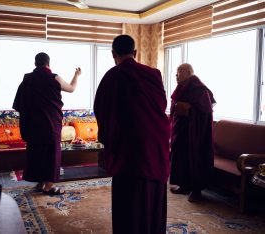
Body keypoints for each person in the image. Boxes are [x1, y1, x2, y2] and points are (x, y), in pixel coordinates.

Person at [94, 35, 170, 234]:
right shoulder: (153, 74)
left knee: (128, 201)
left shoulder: (112, 76)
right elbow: (161, 106)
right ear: (135, 53)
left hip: (128, 150)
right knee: (151, 195)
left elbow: (102, 111)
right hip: (155, 144)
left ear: (113, 54)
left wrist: (110, 139)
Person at [13, 52, 81, 195]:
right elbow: (71, 88)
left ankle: (40, 183)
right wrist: (76, 75)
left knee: (37, 152)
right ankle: (49, 186)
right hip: (50, 123)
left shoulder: (27, 79)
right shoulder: (54, 78)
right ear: (48, 64)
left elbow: (19, 104)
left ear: (35, 64)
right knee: (51, 154)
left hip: (33, 125)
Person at [169, 63, 216, 202]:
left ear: (189, 72)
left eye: (179, 72)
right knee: (179, 155)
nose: (176, 76)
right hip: (181, 130)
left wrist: (189, 110)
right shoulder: (182, 87)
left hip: (196, 132)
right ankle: (183, 185)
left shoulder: (199, 89)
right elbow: (175, 103)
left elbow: (205, 112)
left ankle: (196, 191)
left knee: (194, 157)